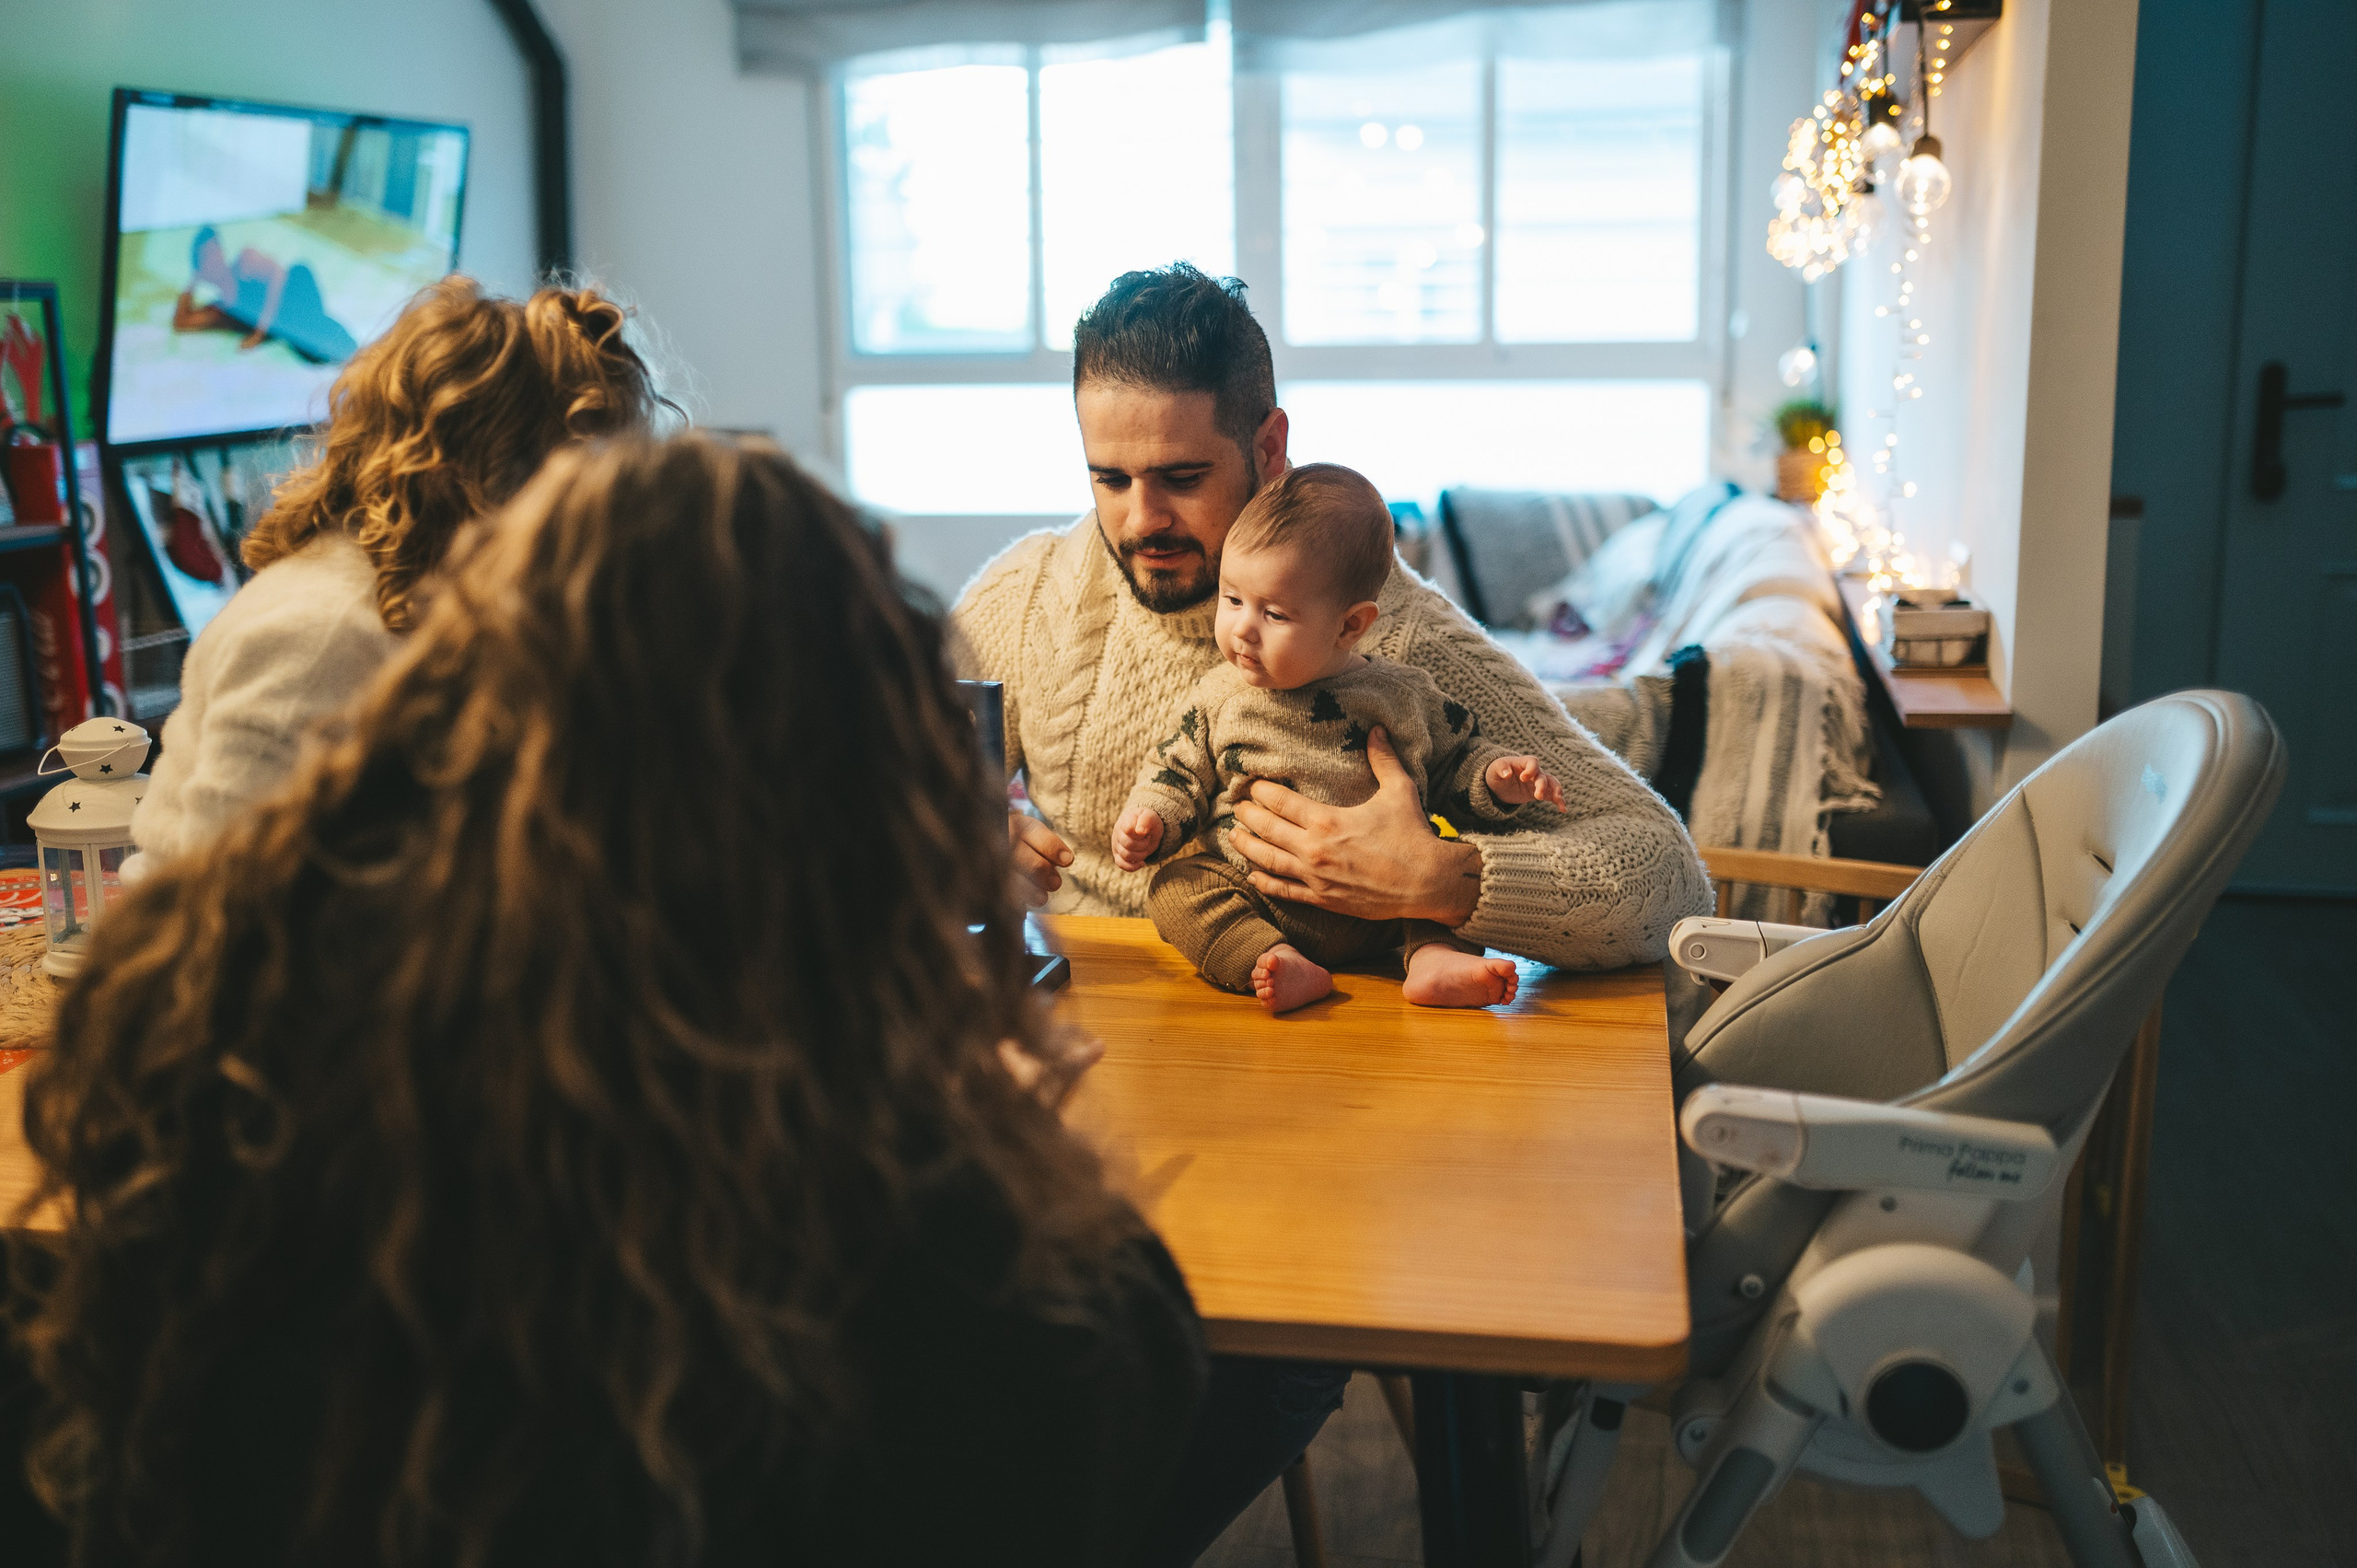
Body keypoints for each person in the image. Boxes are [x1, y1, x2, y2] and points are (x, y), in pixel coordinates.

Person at [2, 436, 1206, 1567]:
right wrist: (995, 1123)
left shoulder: (221, 1149)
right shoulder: (980, 1291)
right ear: (877, 818)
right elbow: (1125, 1393)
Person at [955, 262, 1710, 1563]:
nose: (1141, 521)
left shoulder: (1392, 636)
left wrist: (1448, 883)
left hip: (1302, 1122)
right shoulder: (1020, 597)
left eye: (1181, 477)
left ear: (1269, 444)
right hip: (1076, 1093)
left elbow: (1665, 873)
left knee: (1223, 1380)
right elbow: (862, 776)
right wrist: (952, 837)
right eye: (1107, 478)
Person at [131, 274, 671, 873]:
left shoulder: (448, 606)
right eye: (576, 489)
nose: (598, 527)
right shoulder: (320, 635)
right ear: (461, 473)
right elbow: (224, 909)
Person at [1113, 463, 1565, 1013]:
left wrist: (1498, 779)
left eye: (1273, 613)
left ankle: (1433, 961)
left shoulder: (1403, 694)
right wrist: (1151, 823)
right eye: (1232, 600)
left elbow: (1456, 764)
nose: (1242, 629)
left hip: (1392, 903)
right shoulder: (1218, 698)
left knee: (1449, 869)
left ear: (1350, 625)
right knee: (1176, 886)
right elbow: (1176, 772)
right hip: (1260, 893)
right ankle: (1270, 957)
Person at [173, 226, 359, 364]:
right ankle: (354, 355)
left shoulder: (245, 261)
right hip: (291, 322)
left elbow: (278, 273)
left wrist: (260, 331)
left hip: (296, 288)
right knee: (306, 337)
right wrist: (193, 281)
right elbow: (181, 323)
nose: (215, 259)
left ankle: (354, 354)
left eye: (216, 250)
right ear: (201, 271)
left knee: (300, 320)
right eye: (206, 257)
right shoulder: (220, 309)